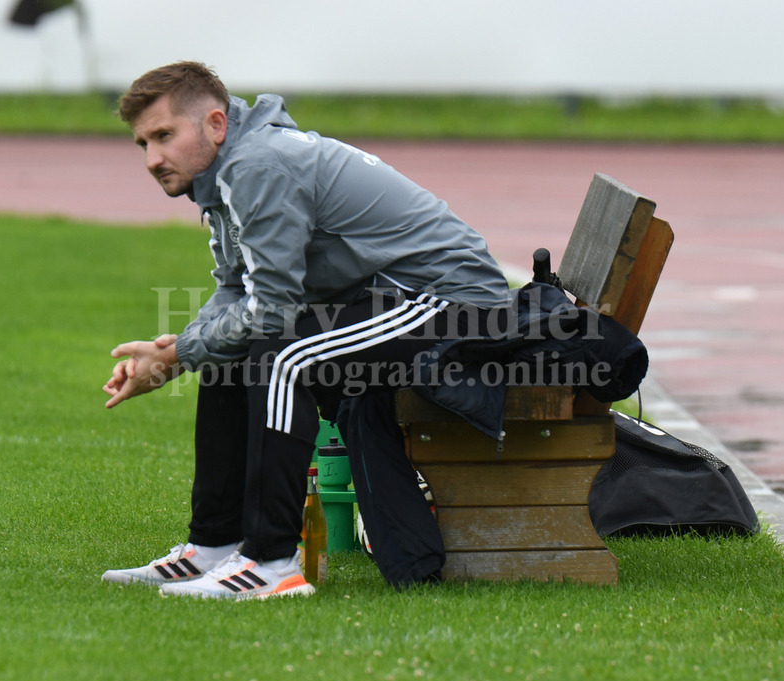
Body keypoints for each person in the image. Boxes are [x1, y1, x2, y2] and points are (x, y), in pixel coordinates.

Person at [101, 61, 510, 599]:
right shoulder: (227, 173)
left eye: (163, 136)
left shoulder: (259, 166)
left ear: (216, 124)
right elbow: (234, 288)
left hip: (457, 306)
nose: (153, 159)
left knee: (281, 352)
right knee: (235, 352)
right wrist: (175, 349)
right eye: (143, 144)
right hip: (396, 301)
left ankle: (272, 563)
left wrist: (177, 357)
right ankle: (216, 545)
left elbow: (272, 308)